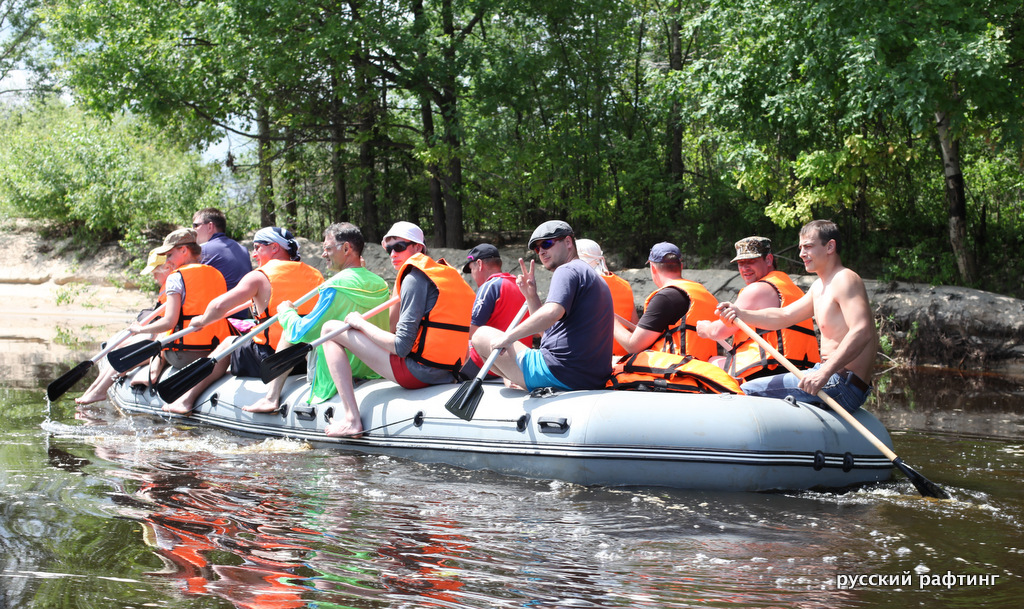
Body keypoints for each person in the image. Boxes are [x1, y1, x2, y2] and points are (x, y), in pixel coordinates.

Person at [319, 221, 476, 436]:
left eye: (399, 247)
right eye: (389, 249)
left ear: (418, 248)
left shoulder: (413, 279)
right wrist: (400, 278)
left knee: (330, 329)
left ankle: (351, 419)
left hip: (418, 373)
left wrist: (360, 323)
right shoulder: (444, 276)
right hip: (449, 371)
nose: (393, 253)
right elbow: (392, 326)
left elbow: (401, 347)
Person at [717, 219, 878, 412]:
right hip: (830, 376)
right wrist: (741, 313)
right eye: (801, 248)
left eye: (808, 247)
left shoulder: (845, 279)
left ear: (830, 247)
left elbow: (862, 330)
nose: (802, 254)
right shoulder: (819, 286)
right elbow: (785, 315)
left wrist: (824, 373)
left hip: (840, 382)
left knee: (746, 390)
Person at [163, 226, 324, 415]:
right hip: (306, 358)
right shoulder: (315, 274)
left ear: (274, 248)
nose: (254, 254)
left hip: (270, 360)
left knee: (229, 343)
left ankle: (186, 400)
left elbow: (218, 307)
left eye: (257, 247)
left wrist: (202, 320)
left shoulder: (259, 276)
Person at [246, 222, 391, 413]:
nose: (324, 254)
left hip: (336, 370)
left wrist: (287, 312)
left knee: (289, 331)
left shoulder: (334, 286)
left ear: (346, 248)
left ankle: (271, 398)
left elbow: (301, 332)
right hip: (372, 368)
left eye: (327, 249)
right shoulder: (380, 283)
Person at [471, 220, 614, 393]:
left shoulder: (566, 270)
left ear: (568, 242)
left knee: (480, 335)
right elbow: (549, 332)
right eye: (537, 249)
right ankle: (520, 379)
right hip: (588, 378)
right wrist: (531, 295)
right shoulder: (592, 276)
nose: (542, 251)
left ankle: (523, 381)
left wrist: (508, 337)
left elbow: (552, 312)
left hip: (559, 372)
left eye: (547, 243)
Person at [696, 236, 819, 379]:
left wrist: (705, 329)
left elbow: (719, 331)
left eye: (751, 261)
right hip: (802, 368)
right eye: (740, 263)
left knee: (712, 363)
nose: (744, 268)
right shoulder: (795, 290)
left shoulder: (757, 290)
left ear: (768, 260)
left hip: (768, 370)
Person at [74, 248, 176, 405]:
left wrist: (142, 332)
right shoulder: (169, 287)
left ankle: (99, 391)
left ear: (168, 268)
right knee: (120, 349)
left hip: (168, 342)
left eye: (155, 272)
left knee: (124, 354)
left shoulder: (175, 287)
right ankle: (94, 388)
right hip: (162, 337)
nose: (153, 277)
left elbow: (167, 324)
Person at [128, 228, 233, 372]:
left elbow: (169, 322)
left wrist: (140, 329)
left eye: (170, 255)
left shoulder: (175, 277)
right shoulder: (217, 273)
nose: (168, 260)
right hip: (218, 350)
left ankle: (150, 371)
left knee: (150, 344)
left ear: (184, 250)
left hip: (184, 354)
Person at [612, 242, 719, 361]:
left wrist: (611, 320)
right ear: (681, 266)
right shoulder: (705, 294)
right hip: (706, 372)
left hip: (678, 373)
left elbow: (633, 346)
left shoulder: (665, 298)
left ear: (652, 267)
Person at [460, 243, 530, 379]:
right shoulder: (522, 286)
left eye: (471, 269)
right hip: (521, 363)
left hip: (490, 365)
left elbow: (473, 333)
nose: (473, 275)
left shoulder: (489, 286)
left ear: (479, 264)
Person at [576, 238, 637, 357]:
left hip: (591, 360)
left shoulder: (580, 284)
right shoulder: (624, 284)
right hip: (622, 359)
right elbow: (634, 325)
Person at [191, 207, 252, 291]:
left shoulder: (203, 250)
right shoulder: (243, 250)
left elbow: (188, 283)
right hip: (246, 302)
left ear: (210, 226)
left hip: (221, 302)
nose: (193, 230)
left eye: (195, 226)